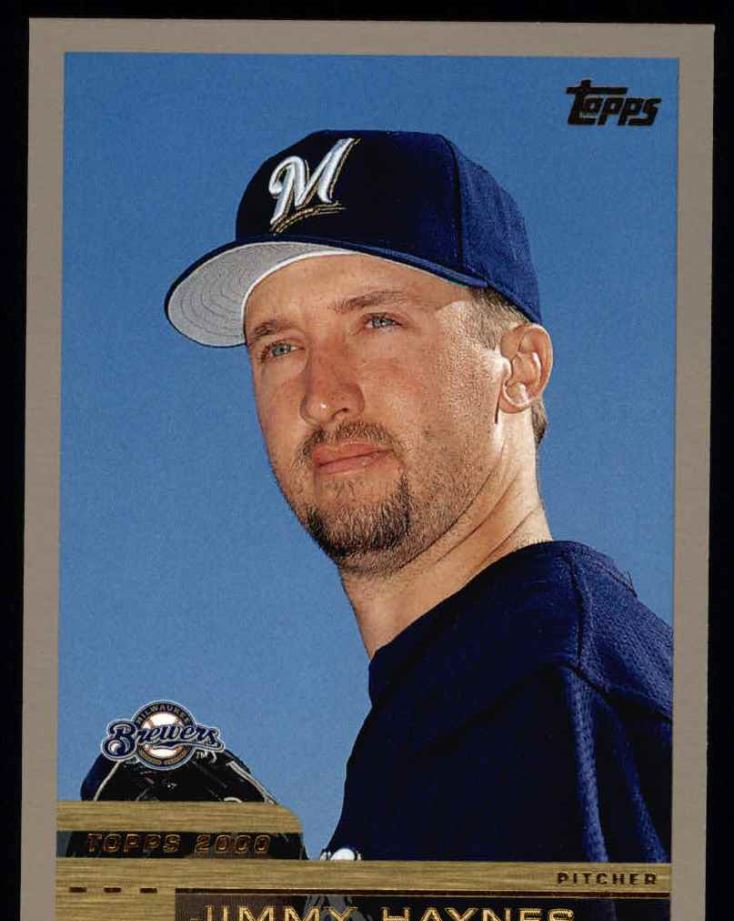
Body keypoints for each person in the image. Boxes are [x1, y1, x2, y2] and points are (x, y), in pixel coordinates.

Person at [165, 129, 672, 877]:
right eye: (280, 347)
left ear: (520, 368)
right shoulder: (460, 696)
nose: (322, 396)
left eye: (377, 322)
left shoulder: (539, 686)